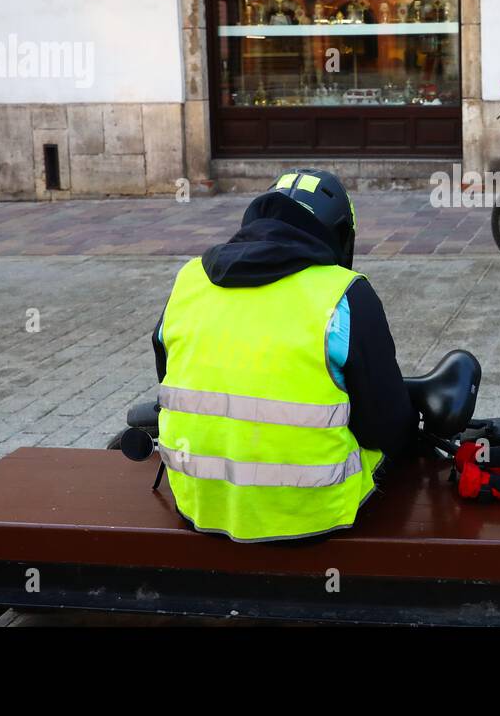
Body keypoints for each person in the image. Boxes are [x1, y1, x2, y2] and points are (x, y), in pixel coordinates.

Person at [149, 169, 415, 543]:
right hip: (314, 516)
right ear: (340, 235)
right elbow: (385, 426)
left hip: (199, 503)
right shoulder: (344, 294)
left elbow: (170, 378)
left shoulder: (189, 280)